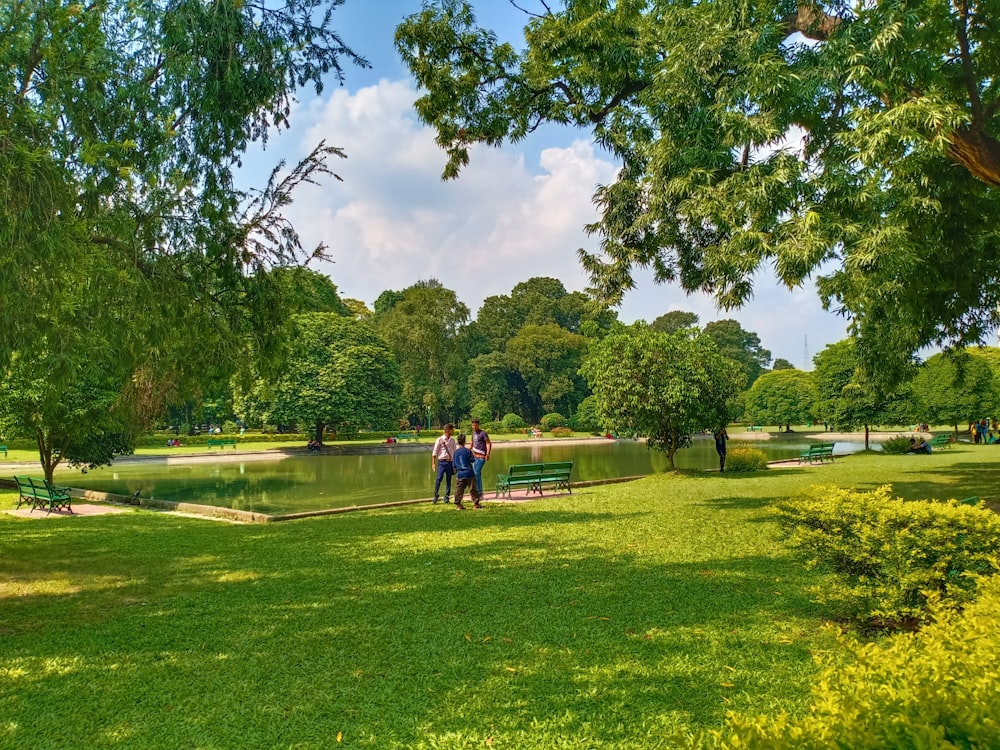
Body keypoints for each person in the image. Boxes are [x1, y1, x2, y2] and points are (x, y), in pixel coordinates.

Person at [452, 434, 482, 510]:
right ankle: (476, 504)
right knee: (473, 489)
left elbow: (454, 464)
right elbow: (472, 460)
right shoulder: (468, 451)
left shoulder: (456, 452)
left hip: (460, 473)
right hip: (469, 472)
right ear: (464, 441)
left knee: (459, 489)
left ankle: (458, 504)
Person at [431, 423, 456, 504]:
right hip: (442, 462)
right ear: (447, 430)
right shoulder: (440, 440)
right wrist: (433, 463)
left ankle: (447, 496)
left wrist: (455, 463)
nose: (453, 431)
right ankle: (436, 495)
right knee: (439, 479)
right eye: (452, 429)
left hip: (450, 462)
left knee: (449, 480)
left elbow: (454, 452)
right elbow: (435, 452)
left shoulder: (452, 440)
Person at [469, 418, 492, 496]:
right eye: (473, 425)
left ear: (478, 425)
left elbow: (488, 443)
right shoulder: (473, 434)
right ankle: (476, 491)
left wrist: (488, 454)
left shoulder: (483, 433)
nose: (474, 427)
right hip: (474, 457)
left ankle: (479, 492)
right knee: (476, 474)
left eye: (475, 425)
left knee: (476, 473)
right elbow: (472, 444)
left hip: (481, 457)